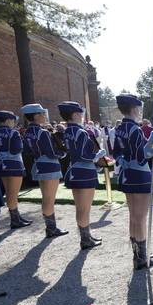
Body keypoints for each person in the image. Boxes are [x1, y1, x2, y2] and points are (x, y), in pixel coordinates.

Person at [113, 94, 153, 269]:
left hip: (127, 175)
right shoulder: (135, 129)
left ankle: (137, 254)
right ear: (134, 109)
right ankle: (141, 257)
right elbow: (142, 157)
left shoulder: (119, 128)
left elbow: (116, 152)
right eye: (139, 109)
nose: (140, 112)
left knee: (133, 216)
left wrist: (125, 159)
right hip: (139, 176)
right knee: (140, 217)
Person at [60, 101, 106, 250]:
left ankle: (86, 236)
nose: (82, 116)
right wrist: (97, 154)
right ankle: (85, 239)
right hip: (85, 172)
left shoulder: (67, 131)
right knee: (85, 209)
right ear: (74, 115)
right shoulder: (81, 132)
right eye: (80, 113)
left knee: (80, 208)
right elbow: (85, 156)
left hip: (74, 170)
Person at [21, 103, 69, 238]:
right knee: (49, 199)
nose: (44, 116)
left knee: (46, 198)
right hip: (49, 166)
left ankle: (50, 227)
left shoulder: (28, 131)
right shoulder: (41, 132)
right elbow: (51, 152)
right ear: (36, 116)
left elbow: (27, 150)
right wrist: (63, 154)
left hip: (39, 165)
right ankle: (51, 228)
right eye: (42, 114)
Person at [0, 110, 31, 228]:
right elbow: (16, 149)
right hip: (14, 165)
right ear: (8, 120)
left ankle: (16, 217)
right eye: (13, 120)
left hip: (1, 165)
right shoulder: (13, 133)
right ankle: (14, 220)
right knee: (13, 194)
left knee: (9, 193)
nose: (14, 123)